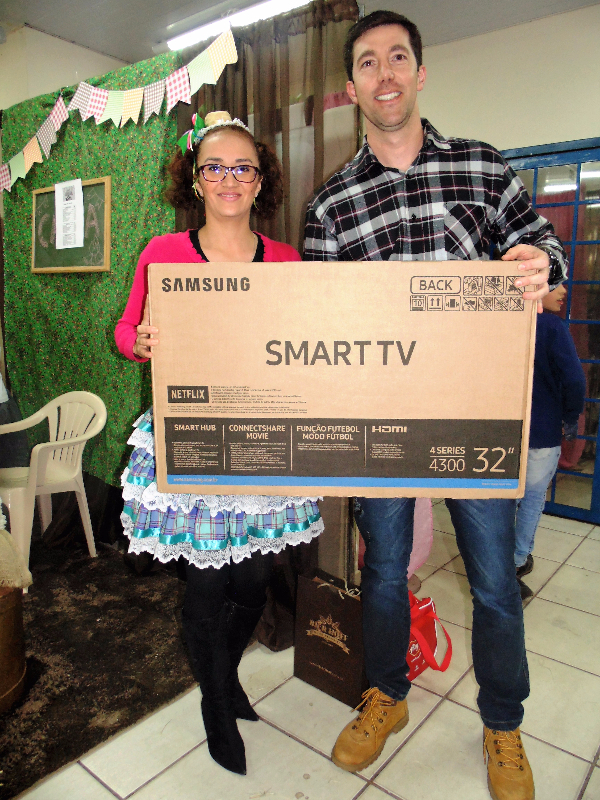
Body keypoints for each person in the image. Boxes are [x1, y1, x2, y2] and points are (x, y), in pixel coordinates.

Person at [303, 12, 567, 800]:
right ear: (351, 88)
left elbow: (545, 247)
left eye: (398, 58)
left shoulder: (482, 168)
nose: (384, 74)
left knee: (493, 581)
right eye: (367, 63)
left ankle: (503, 723)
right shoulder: (332, 204)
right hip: (381, 425)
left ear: (419, 73)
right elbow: (314, 323)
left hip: (473, 417)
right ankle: (386, 693)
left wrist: (538, 261)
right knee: (384, 573)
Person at [115, 111, 323, 776]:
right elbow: (126, 329)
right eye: (215, 167)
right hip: (193, 436)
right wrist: (140, 340)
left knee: (254, 583)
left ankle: (223, 676)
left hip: (264, 440)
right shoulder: (163, 251)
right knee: (206, 587)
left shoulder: (286, 261)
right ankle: (216, 705)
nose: (229, 179)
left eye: (243, 168)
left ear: (260, 181)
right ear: (196, 179)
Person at [515, 283, 585, 598]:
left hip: (502, 431)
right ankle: (516, 560)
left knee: (502, 502)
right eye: (555, 283)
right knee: (531, 499)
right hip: (542, 433)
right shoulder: (552, 327)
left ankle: (494, 562)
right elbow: (574, 380)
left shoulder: (504, 322)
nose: (564, 290)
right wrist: (570, 417)